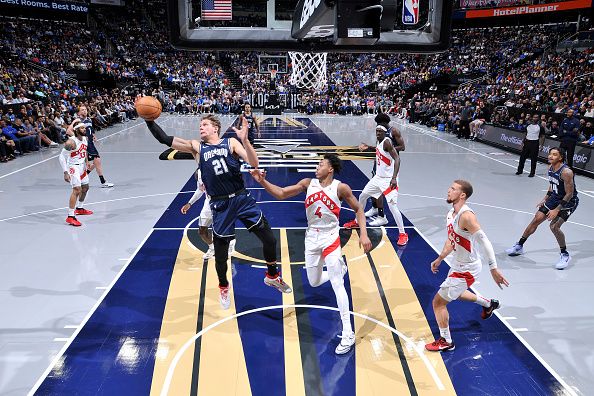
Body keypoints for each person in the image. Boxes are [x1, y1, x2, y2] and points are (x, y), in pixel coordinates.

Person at [145, 114, 292, 309]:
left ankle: (272, 275)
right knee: (221, 255)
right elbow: (165, 139)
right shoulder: (197, 147)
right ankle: (224, 286)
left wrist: (245, 140)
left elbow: (254, 162)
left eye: (205, 124)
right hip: (220, 205)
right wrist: (148, 120)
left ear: (216, 128)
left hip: (241, 198)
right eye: (200, 125)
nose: (201, 128)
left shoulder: (230, 142)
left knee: (269, 239)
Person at [250, 154, 372, 354]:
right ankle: (340, 269)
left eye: (321, 164)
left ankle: (348, 333)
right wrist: (262, 180)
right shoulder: (308, 183)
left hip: (331, 236)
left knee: (336, 284)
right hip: (311, 238)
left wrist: (364, 234)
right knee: (314, 281)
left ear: (330, 169)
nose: (317, 167)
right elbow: (281, 193)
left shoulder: (341, 188)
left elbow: (359, 209)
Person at [426, 180, 509, 352]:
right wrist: (440, 258)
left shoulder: (467, 216)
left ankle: (446, 341)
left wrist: (493, 268)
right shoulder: (451, 213)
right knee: (455, 293)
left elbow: (485, 242)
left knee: (438, 302)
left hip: (467, 268)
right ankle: (488, 303)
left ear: (462, 195)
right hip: (458, 264)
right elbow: (452, 239)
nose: (448, 190)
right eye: (449, 187)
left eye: (453, 189)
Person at [506, 147, 579, 270]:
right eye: (550, 154)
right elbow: (552, 184)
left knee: (554, 227)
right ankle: (519, 246)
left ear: (560, 157)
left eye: (554, 155)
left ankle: (564, 254)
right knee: (536, 219)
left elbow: (569, 194)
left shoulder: (566, 172)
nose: (550, 156)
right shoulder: (550, 167)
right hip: (554, 198)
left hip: (568, 202)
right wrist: (545, 198)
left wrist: (556, 209)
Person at [344, 124, 408, 247]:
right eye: (376, 131)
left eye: (380, 131)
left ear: (385, 133)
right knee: (362, 196)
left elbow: (397, 159)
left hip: (388, 180)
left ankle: (403, 234)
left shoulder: (387, 142)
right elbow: (378, 150)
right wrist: (368, 147)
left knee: (392, 206)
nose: (378, 133)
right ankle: (357, 221)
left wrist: (394, 178)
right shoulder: (379, 142)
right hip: (377, 178)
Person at [181, 169, 236, 259]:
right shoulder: (198, 172)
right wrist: (189, 203)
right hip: (209, 202)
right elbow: (200, 189)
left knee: (221, 228)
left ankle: (231, 242)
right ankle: (212, 247)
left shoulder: (218, 169)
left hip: (223, 201)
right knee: (202, 231)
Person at [365, 113, 406, 228]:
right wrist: (370, 147)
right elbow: (379, 147)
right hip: (379, 164)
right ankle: (374, 208)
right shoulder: (380, 132)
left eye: (379, 123)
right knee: (374, 189)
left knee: (387, 196)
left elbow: (402, 147)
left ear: (384, 122)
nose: (377, 126)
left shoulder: (394, 131)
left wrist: (388, 150)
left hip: (389, 166)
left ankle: (382, 216)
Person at [68, 104, 114, 188]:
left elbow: (89, 130)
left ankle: (83, 176)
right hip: (85, 144)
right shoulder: (77, 120)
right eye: (82, 110)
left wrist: (93, 136)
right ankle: (103, 182)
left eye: (85, 109)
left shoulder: (89, 120)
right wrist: (79, 138)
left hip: (90, 143)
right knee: (97, 161)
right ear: (78, 113)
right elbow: (69, 131)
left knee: (95, 162)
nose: (84, 111)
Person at [59, 121, 94, 227]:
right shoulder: (71, 142)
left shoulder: (85, 139)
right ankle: (70, 216)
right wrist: (65, 172)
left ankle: (79, 208)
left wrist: (87, 161)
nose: (85, 129)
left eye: (85, 128)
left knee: (86, 187)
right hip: (73, 167)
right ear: (77, 130)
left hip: (81, 166)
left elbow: (85, 151)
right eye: (82, 128)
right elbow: (61, 157)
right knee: (77, 190)